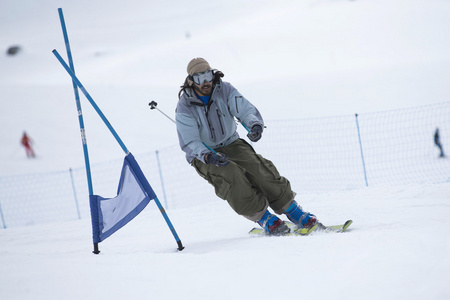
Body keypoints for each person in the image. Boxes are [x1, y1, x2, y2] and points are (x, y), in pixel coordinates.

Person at [175, 58, 318, 235]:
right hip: (204, 154)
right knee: (231, 175)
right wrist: (207, 156)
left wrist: (254, 125)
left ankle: (294, 212)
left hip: (231, 143)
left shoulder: (223, 89)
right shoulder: (185, 106)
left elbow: (244, 109)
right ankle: (264, 217)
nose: (205, 82)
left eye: (207, 76)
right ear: (191, 81)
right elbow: (190, 142)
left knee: (259, 169)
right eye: (199, 78)